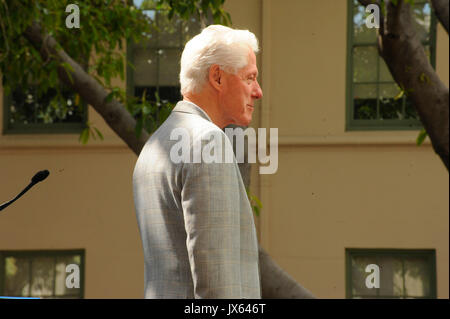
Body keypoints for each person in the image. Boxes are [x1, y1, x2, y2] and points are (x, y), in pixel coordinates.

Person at [132, 25, 263, 298]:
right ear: (217, 77)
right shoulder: (207, 141)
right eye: (250, 78)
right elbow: (217, 284)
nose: (258, 91)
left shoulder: (155, 145)